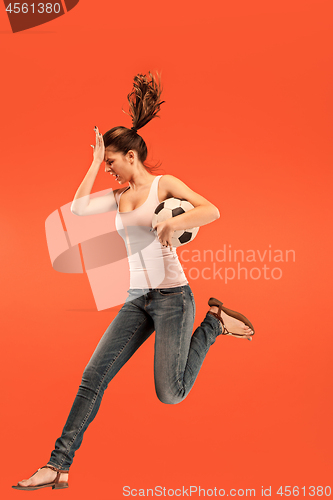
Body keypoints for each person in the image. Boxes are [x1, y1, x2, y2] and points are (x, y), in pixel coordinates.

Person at [13, 72, 255, 491]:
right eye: (104, 162)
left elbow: (211, 210)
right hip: (137, 299)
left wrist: (170, 227)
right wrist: (91, 163)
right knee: (94, 375)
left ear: (130, 156)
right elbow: (76, 210)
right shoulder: (120, 196)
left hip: (173, 299)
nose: (108, 168)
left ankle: (214, 322)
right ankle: (58, 465)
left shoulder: (165, 185)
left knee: (171, 393)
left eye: (110, 161)